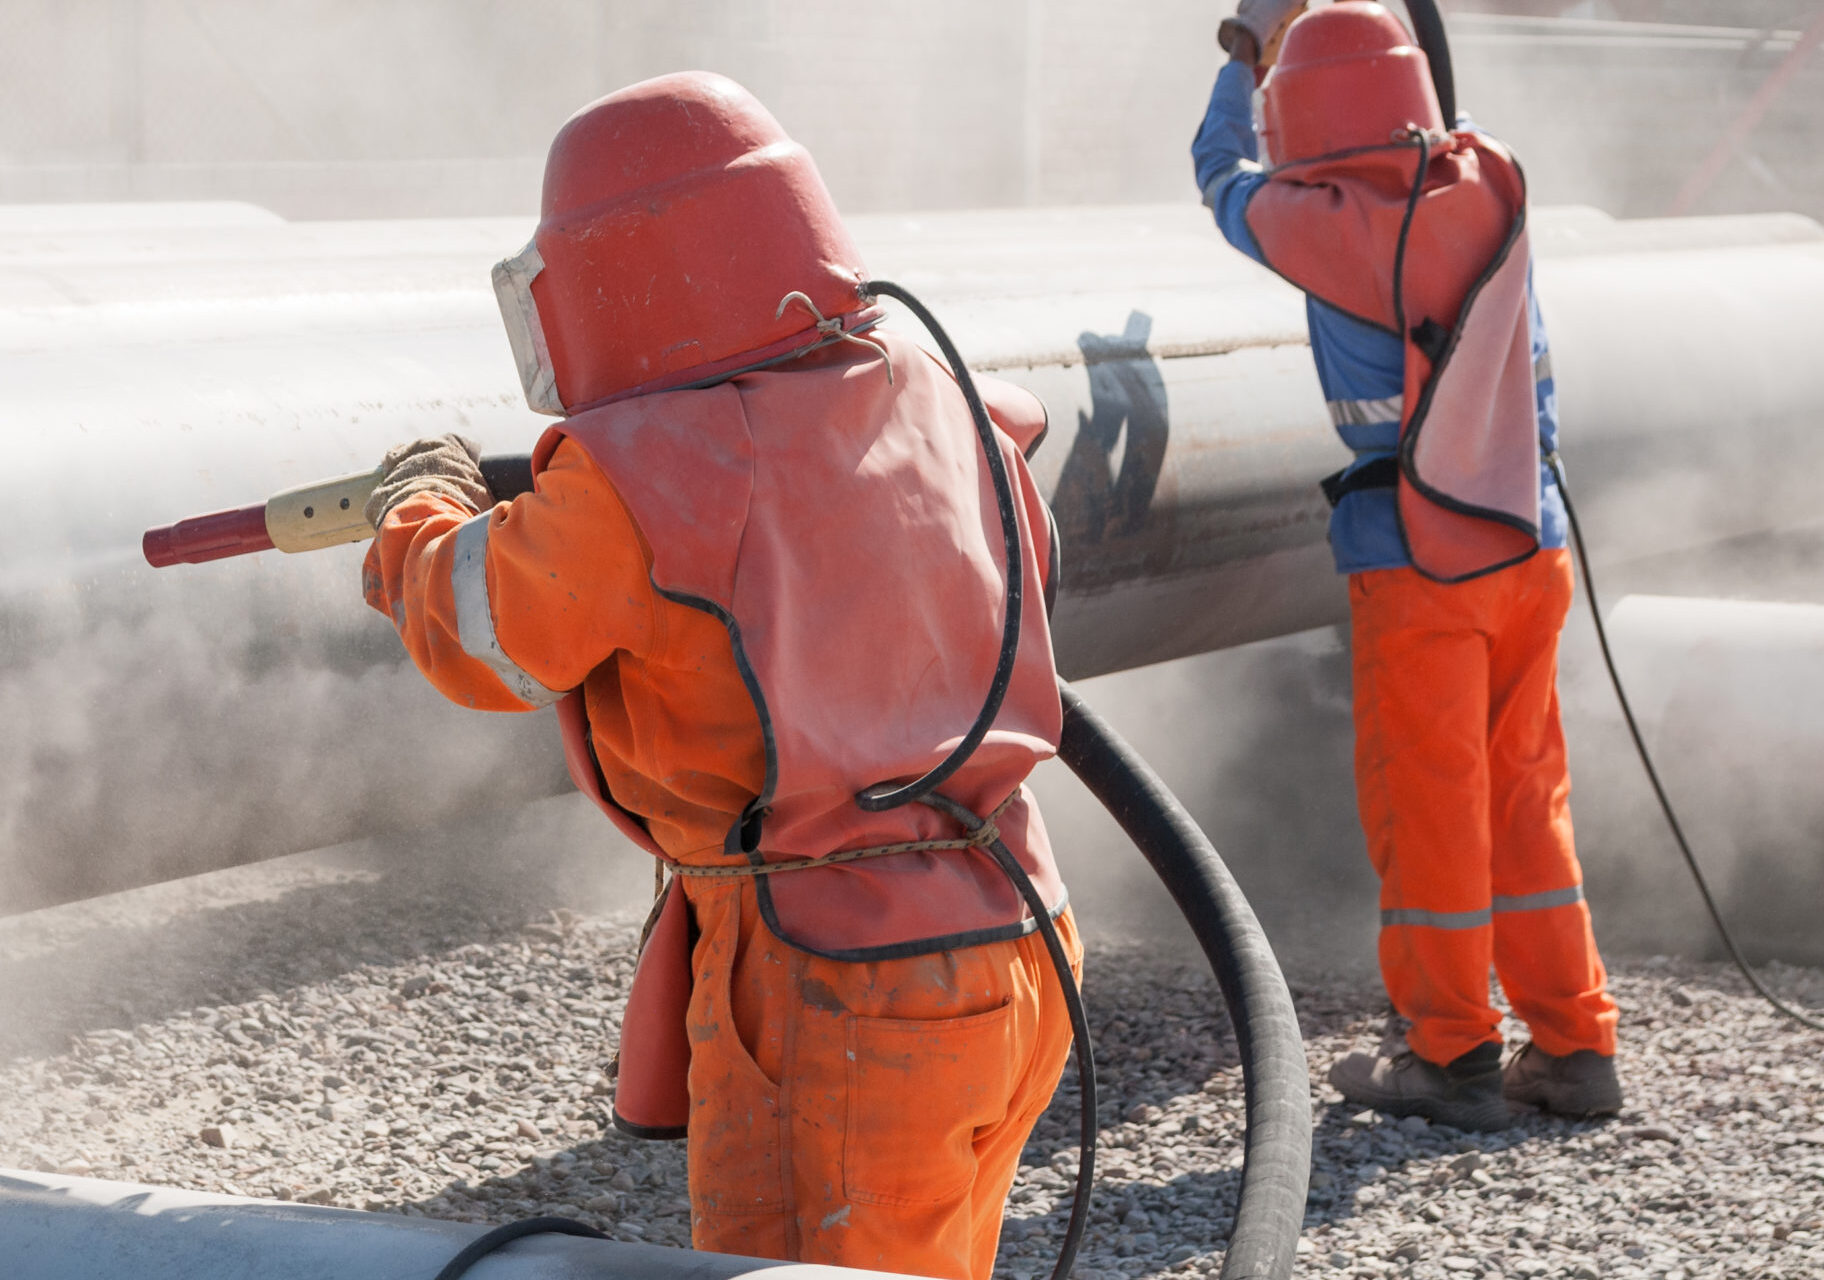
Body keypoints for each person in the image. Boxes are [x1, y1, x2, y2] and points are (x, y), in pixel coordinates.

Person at [359, 71, 1077, 1279]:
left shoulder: (656, 471)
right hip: (1012, 936)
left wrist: (412, 508)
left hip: (835, 986)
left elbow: (482, 624)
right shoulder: (939, 390)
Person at [1193, 0, 1621, 1129]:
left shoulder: (1313, 217)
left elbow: (1214, 169)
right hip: (1527, 545)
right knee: (1527, 799)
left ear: (1305, 122)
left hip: (1414, 560)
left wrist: (1247, 46)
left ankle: (1450, 1057)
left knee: (1428, 806)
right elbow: (1447, 120)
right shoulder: (1493, 178)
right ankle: (1575, 1047)